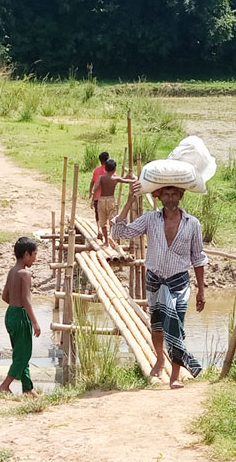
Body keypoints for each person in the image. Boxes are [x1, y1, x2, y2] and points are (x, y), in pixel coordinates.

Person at [114, 137, 217, 388]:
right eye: (166, 194)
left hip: (179, 281)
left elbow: (198, 258)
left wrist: (202, 289)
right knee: (157, 325)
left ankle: (174, 374)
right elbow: (119, 232)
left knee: (177, 326)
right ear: (159, 196)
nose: (170, 198)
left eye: (174, 193)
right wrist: (129, 200)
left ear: (181, 194)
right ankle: (159, 359)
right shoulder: (150, 219)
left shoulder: (192, 224)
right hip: (155, 278)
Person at [0, 236, 42, 396]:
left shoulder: (12, 271)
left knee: (20, 351)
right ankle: (4, 385)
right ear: (26, 254)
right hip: (20, 315)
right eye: (35, 254)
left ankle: (28, 388)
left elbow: (4, 296)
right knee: (24, 354)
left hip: (10, 313)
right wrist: (35, 322)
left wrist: (14, 304)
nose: (35, 259)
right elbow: (26, 300)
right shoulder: (25, 273)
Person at [88, 159, 133, 244]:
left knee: (102, 222)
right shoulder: (115, 178)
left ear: (105, 168)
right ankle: (111, 237)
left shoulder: (101, 177)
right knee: (112, 220)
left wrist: (93, 200)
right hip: (111, 200)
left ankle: (106, 242)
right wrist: (134, 179)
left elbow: (96, 187)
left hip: (101, 200)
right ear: (115, 169)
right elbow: (127, 181)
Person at [89, 151, 110, 219]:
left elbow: (92, 183)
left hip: (97, 198)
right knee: (107, 215)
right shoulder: (110, 170)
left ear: (100, 160)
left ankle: (99, 229)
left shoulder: (97, 170)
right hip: (108, 197)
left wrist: (90, 192)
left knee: (98, 215)